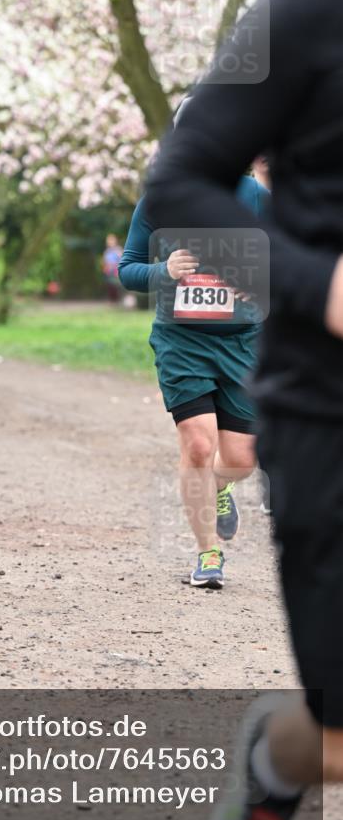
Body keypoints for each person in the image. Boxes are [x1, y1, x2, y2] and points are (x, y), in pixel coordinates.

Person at [143, 0, 343, 820]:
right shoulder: (305, 7)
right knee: (335, 739)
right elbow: (178, 177)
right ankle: (279, 757)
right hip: (320, 399)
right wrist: (317, 284)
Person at [119, 105, 269, 590]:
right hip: (182, 340)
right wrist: (165, 272)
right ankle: (209, 553)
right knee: (199, 444)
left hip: (241, 340)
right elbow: (128, 267)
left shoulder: (255, 197)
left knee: (241, 458)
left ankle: (221, 487)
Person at [101, 234, 124, 302]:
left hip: (116, 271)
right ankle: (112, 300)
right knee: (110, 286)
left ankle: (118, 299)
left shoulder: (118, 250)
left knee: (117, 285)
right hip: (109, 271)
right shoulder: (107, 251)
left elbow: (122, 259)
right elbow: (105, 261)